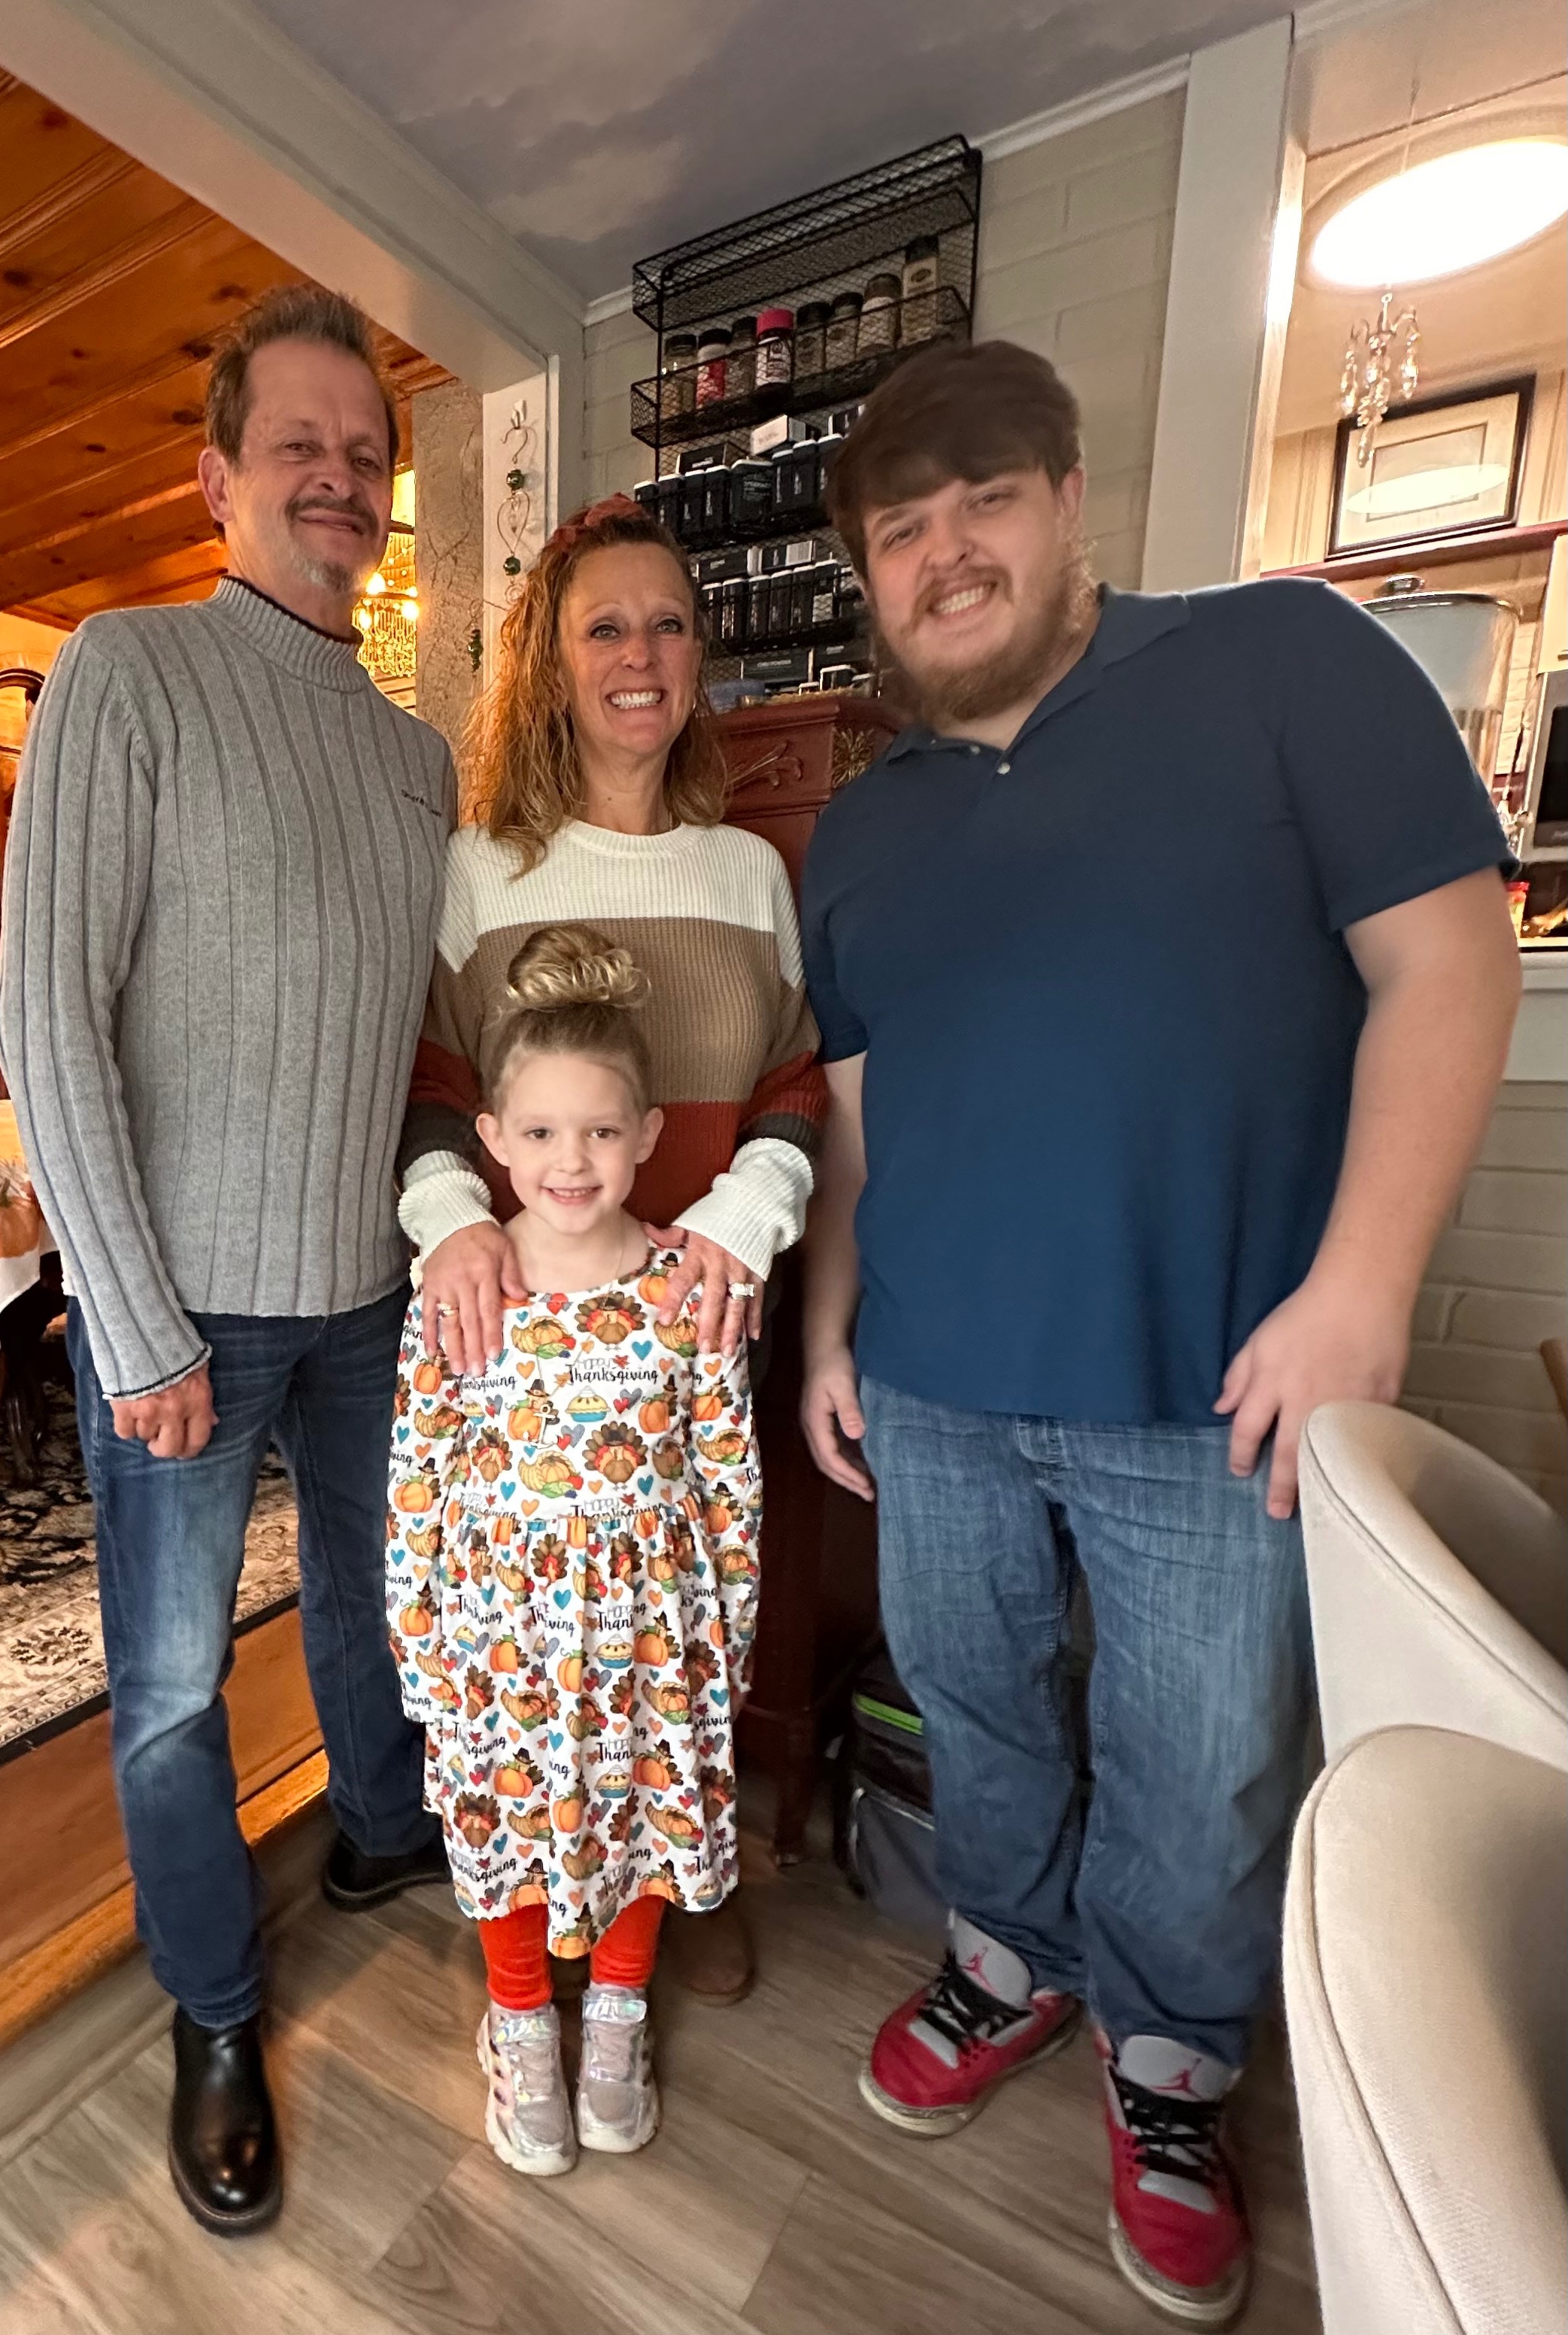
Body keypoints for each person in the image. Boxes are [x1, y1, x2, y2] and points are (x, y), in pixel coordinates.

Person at [797, 339, 1519, 2329]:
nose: (947, 554)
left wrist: (1359, 1287)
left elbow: (1450, 960)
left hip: (1215, 1380)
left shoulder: (1283, 661)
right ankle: (1009, 1959)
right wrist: (831, 1328)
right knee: (975, 1703)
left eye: (985, 502)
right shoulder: (857, 831)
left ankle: (1176, 2057)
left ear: (1067, 498)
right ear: (867, 575)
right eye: (902, 530)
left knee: (1201, 1758)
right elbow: (858, 1116)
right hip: (933, 1380)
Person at [0, 286, 458, 2236]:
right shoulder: (127, 671)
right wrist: (129, 1315)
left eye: (363, 452)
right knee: (175, 1692)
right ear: (217, 479)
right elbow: (43, 1014)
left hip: (366, 1297)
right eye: (300, 446)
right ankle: (211, 2013)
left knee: (373, 1600)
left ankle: (379, 1831)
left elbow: (416, 1048)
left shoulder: (420, 760)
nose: (337, 477)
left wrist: (451, 1240)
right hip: (180, 1310)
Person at [396, 491, 824, 2004]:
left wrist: (744, 1215)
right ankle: (544, 1913)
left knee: (678, 1619)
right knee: (539, 1646)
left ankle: (665, 1889)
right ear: (551, 665)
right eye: (604, 628)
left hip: (694, 1325)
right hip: (528, 1336)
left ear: (698, 656)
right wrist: (453, 1224)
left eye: (667, 625)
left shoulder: (746, 873)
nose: (640, 655)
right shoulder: (481, 871)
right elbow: (433, 1086)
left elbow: (793, 1084)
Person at [387, 922, 760, 2173]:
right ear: (492, 1138)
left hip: (653, 1640)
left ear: (647, 1134)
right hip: (500, 1643)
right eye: (542, 1131)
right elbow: (417, 1479)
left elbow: (730, 1479)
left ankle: (615, 2016)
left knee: (643, 1819)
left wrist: (727, 1643)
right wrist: (421, 1645)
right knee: (507, 1828)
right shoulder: (459, 1296)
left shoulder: (689, 1290)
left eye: (600, 1131)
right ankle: (517, 2020)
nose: (571, 1159)